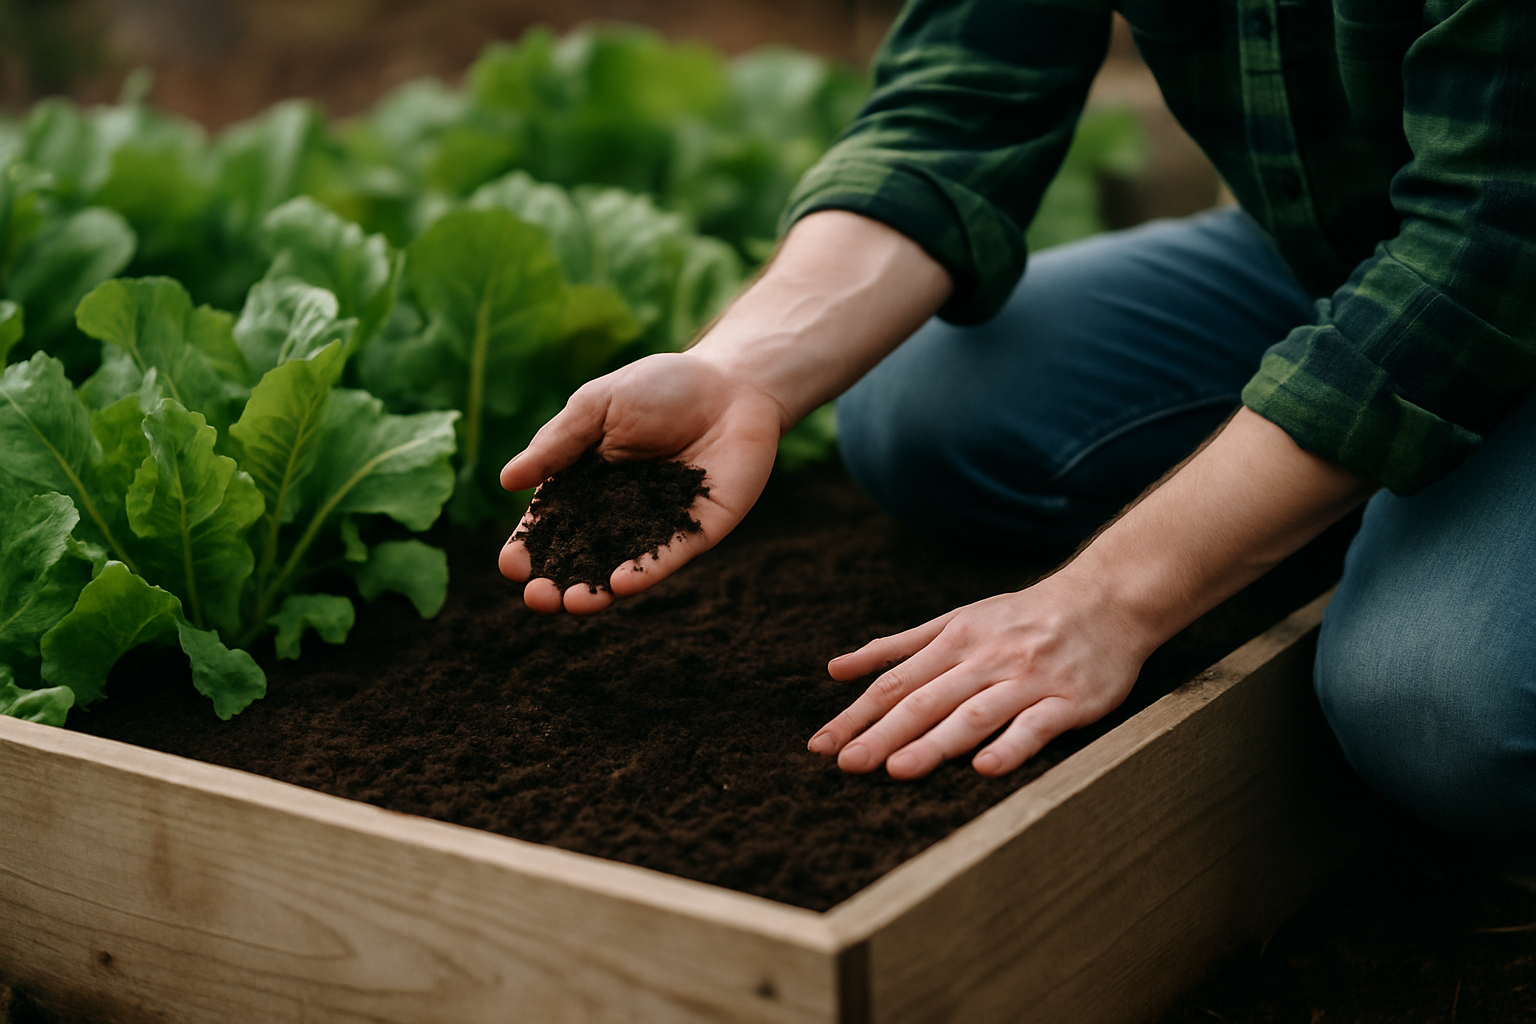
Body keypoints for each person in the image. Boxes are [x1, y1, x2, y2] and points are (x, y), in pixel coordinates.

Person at [498, 0, 1535, 861]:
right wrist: (741, 373)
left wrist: (1108, 597)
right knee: (921, 413)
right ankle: (1363, 487)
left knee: (1439, 710)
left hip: (1494, 245)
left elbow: (1488, 241)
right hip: (1348, 243)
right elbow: (961, 89)